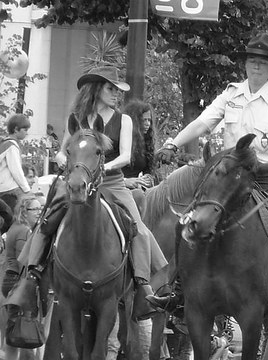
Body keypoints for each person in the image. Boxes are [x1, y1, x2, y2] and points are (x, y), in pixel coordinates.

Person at [149, 33, 268, 318]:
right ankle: (177, 289)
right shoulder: (230, 95)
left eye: (263, 62)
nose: (256, 66)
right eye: (252, 60)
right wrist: (173, 143)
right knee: (188, 219)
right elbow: (203, 123)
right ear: (245, 64)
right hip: (231, 176)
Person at [7, 66, 166, 321]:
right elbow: (62, 151)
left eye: (117, 90)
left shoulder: (124, 120)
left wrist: (101, 168)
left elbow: (125, 156)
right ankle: (29, 279)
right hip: (77, 181)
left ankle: (144, 286)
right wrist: (66, 162)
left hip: (112, 183)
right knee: (45, 221)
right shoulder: (77, 117)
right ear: (96, 89)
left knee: (140, 230)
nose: (115, 94)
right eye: (110, 88)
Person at [2, 196, 51, 360]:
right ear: (24, 211)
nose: (39, 213)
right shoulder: (23, 231)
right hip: (18, 281)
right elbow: (25, 260)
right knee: (21, 329)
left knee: (17, 328)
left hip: (14, 280)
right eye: (35, 209)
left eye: (41, 209)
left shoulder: (19, 228)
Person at [0, 114, 32, 214]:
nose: (26, 133)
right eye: (25, 130)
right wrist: (26, 189)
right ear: (16, 129)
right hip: (7, 191)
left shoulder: (4, 143)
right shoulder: (11, 146)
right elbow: (16, 170)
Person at [122, 100, 156, 187]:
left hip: (137, 188)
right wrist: (124, 181)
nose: (148, 124)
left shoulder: (147, 143)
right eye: (144, 120)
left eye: (149, 120)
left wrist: (148, 178)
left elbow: (148, 171)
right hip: (118, 186)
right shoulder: (119, 140)